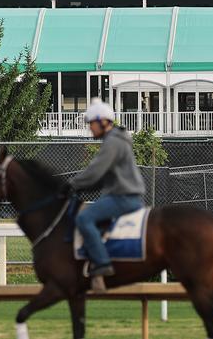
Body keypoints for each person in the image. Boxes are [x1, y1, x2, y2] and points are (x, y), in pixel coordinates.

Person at [64, 99, 146, 288]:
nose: (90, 129)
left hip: (123, 197)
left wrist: (71, 185)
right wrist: (80, 188)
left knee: (84, 219)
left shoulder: (113, 142)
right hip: (122, 195)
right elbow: (99, 179)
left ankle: (102, 263)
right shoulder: (115, 140)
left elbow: (94, 171)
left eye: (91, 123)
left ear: (102, 121)